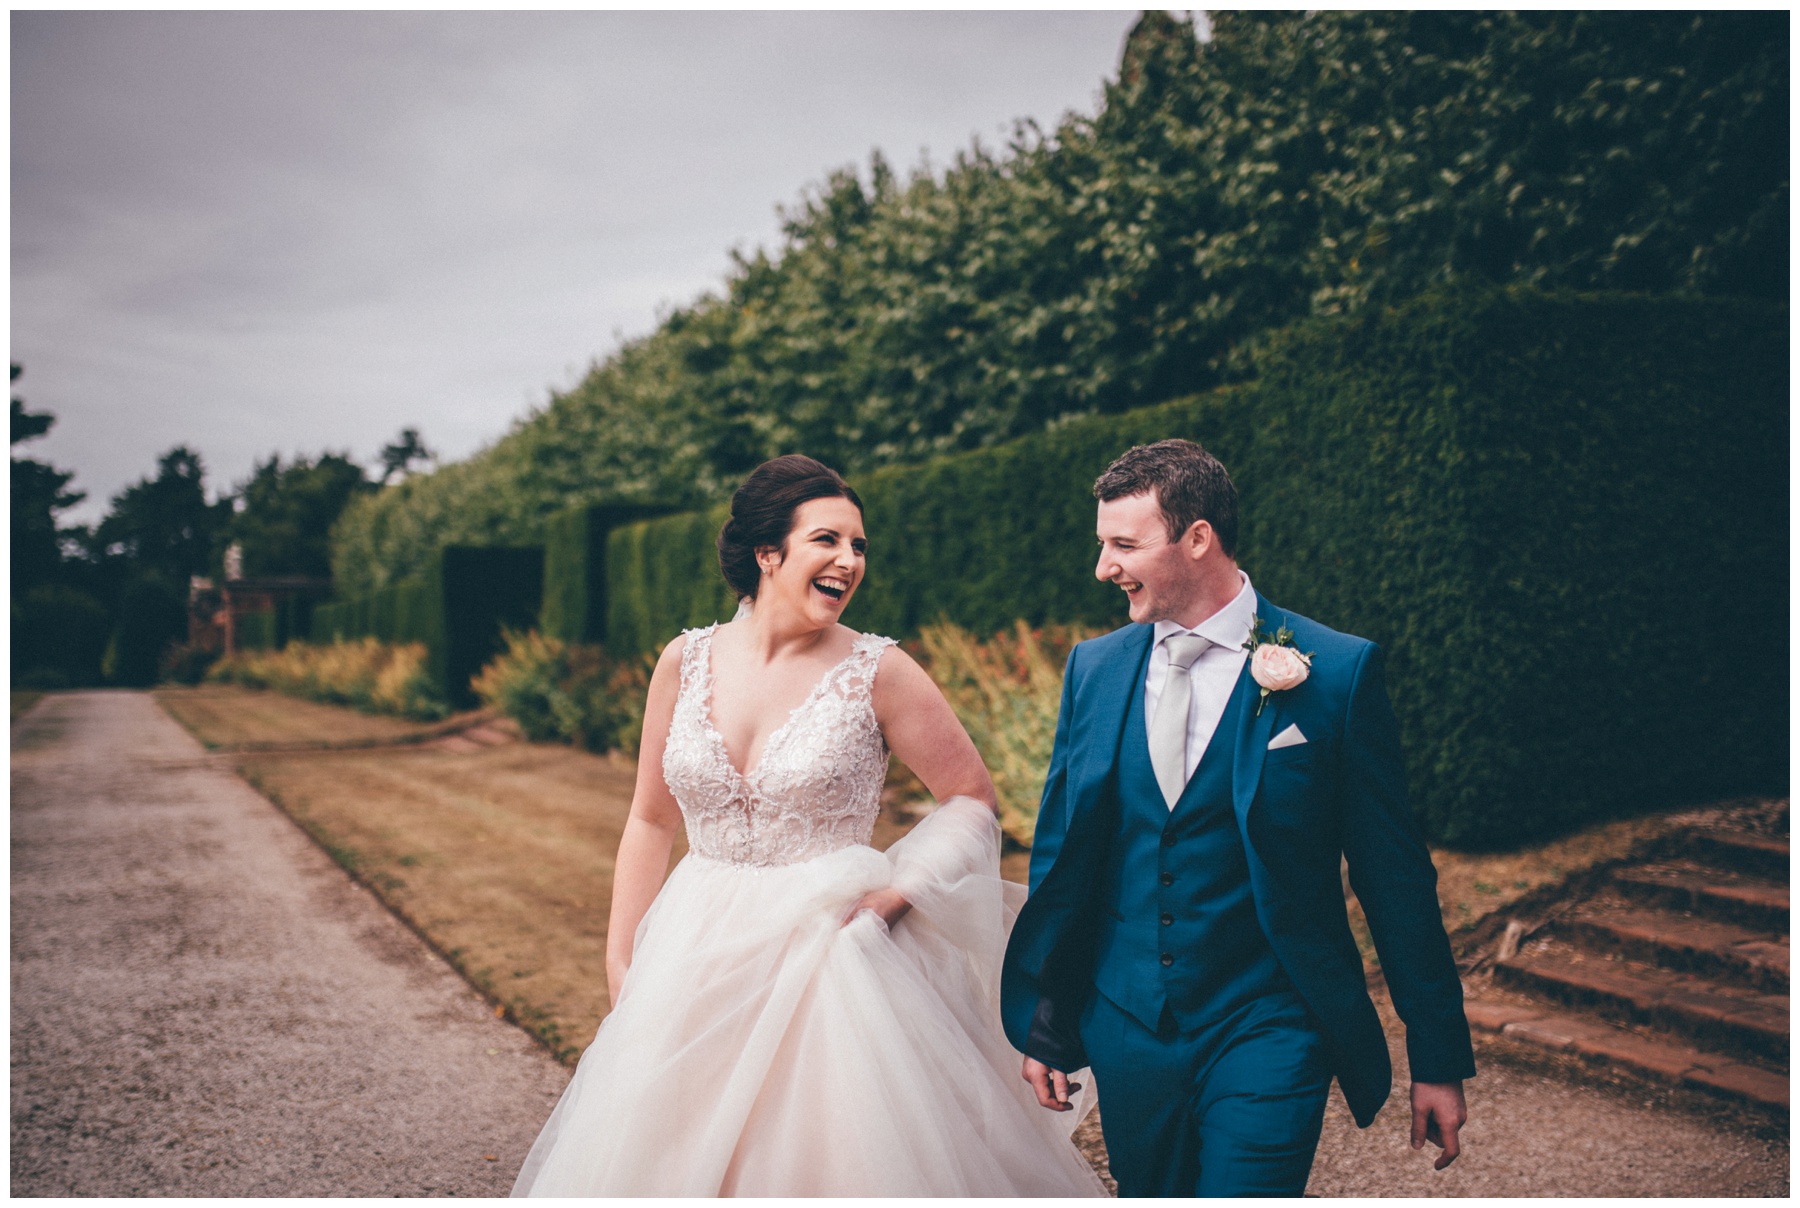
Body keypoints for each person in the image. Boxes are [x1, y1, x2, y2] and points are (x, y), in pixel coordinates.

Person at [513, 455, 1105, 1197]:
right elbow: (648, 816)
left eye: (858, 546)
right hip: (695, 946)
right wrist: (621, 958)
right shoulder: (683, 661)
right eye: (828, 540)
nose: (849, 561)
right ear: (769, 553)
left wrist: (900, 893)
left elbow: (970, 798)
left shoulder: (879, 670)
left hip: (830, 955)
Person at [1000, 439, 1475, 1197]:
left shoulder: (1335, 674)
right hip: (1127, 1028)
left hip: (1268, 1023)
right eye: (1103, 545)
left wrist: (1439, 1055)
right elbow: (1066, 859)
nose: (1104, 568)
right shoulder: (1096, 669)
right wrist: (1048, 1021)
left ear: (1197, 538)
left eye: (1124, 545)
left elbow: (1394, 875)